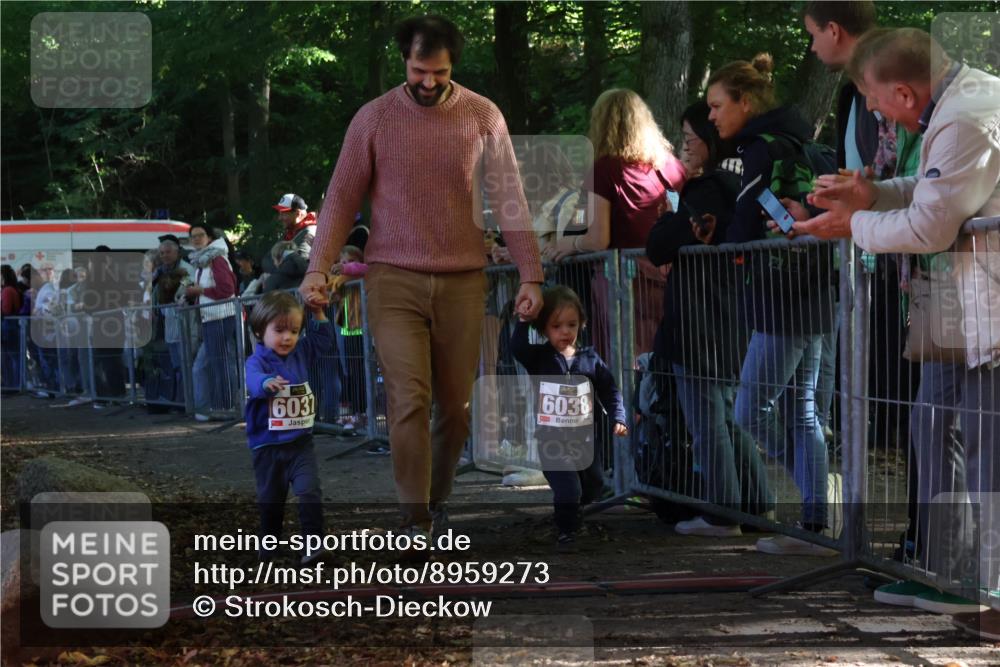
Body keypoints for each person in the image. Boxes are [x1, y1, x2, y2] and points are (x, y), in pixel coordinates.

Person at [299, 14, 543, 540]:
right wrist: (317, 268)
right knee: (408, 398)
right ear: (403, 61)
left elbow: (509, 199)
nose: (428, 82)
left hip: (462, 279)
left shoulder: (482, 116)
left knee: (456, 410)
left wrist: (531, 275)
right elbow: (341, 197)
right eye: (418, 70)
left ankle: (436, 500)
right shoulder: (374, 118)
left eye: (439, 72)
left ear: (453, 65)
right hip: (393, 278)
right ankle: (413, 518)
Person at [794, 28, 1000, 636]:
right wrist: (875, 193)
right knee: (935, 424)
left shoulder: (965, 117)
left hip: (983, 304)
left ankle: (987, 587)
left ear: (905, 93)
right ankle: (949, 572)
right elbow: (940, 190)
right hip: (962, 300)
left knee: (986, 445)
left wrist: (854, 223)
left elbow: (936, 224)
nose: (877, 114)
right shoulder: (955, 107)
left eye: (876, 100)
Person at [706, 53, 837, 556]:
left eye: (718, 106)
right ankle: (815, 517)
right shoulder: (799, 141)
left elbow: (756, 219)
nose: (713, 116)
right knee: (803, 412)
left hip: (784, 302)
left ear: (745, 101)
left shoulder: (762, 149)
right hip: (816, 296)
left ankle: (814, 504)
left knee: (749, 410)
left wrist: (727, 244)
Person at [646, 101, 771, 537]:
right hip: (730, 316)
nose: (684, 146)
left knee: (707, 421)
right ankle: (757, 504)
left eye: (690, 137)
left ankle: (723, 514)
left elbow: (660, 245)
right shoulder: (742, 185)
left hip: (699, 318)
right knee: (725, 415)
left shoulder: (706, 191)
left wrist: (670, 222)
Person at [546, 88, 686, 357]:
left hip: (624, 282)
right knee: (668, 361)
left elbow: (598, 238)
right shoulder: (673, 167)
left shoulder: (606, 169)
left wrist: (570, 243)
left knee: (625, 361)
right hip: (672, 277)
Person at [509, 285, 627, 545]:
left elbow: (610, 389)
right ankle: (567, 531)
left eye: (571, 325)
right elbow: (517, 347)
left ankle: (575, 511)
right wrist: (524, 321)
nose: (565, 332)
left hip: (586, 440)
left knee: (594, 483)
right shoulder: (539, 358)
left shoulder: (591, 359)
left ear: (581, 325)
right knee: (568, 488)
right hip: (552, 441)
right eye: (556, 326)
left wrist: (618, 416)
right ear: (544, 329)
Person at [244, 290, 332, 564]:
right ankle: (268, 544)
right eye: (279, 330)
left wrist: (317, 314)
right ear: (260, 331)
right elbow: (252, 379)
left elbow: (324, 343)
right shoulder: (257, 360)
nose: (287, 337)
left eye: (294, 330)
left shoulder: (301, 351)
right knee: (271, 498)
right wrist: (264, 384)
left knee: (309, 491)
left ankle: (313, 546)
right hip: (268, 446)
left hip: (300, 442)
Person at [185, 221, 239, 421]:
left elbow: (227, 290)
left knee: (216, 364)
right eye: (193, 236)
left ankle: (220, 408)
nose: (196, 239)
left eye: (200, 235)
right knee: (216, 364)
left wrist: (199, 291)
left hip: (221, 317)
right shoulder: (203, 260)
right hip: (212, 317)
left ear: (209, 238)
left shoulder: (216, 259)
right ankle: (215, 407)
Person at [262, 194, 316, 292]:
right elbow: (266, 260)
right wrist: (279, 267)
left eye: (283, 213)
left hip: (300, 293)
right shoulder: (288, 234)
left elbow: (297, 266)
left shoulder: (310, 231)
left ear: (298, 213)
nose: (280, 218)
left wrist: (274, 271)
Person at [1, 264, 23, 390]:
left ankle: (13, 384)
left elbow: (6, 309)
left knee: (10, 357)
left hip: (8, 327)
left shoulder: (7, 290)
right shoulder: (11, 289)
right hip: (11, 327)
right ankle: (13, 383)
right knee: (11, 357)